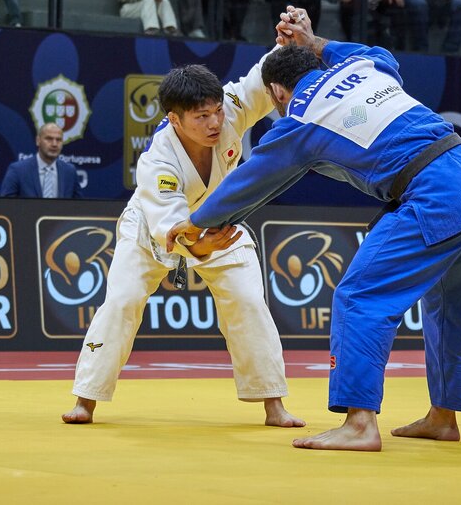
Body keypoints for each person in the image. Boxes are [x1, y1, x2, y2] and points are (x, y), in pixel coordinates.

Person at [166, 5, 461, 452]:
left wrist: (196, 220)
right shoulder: (365, 66)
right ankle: (444, 418)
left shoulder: (300, 120)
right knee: (453, 308)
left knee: (359, 297)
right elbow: (380, 52)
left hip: (435, 193)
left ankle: (359, 424)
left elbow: (250, 181)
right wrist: (314, 40)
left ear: (277, 92)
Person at [62, 38, 303, 430]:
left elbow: (261, 77)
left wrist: (286, 41)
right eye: (201, 117)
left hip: (218, 223)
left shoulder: (229, 109)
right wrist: (200, 245)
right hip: (151, 228)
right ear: (175, 119)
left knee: (248, 301)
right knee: (122, 301)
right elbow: (171, 227)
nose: (214, 123)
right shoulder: (158, 160)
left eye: (216, 112)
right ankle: (85, 399)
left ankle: (273, 404)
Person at [0, 123, 82, 197]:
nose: (54, 144)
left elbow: (78, 206)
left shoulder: (70, 172)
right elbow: (6, 205)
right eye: (49, 139)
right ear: (38, 141)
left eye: (58, 140)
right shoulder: (18, 170)